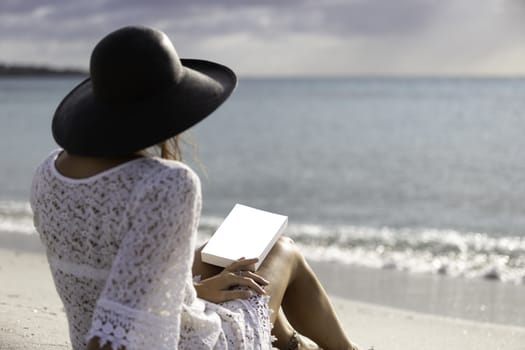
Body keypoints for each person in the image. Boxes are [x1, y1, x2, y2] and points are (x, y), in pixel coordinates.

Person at [30, 25, 360, 350]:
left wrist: (197, 290)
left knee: (233, 260)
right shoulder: (166, 183)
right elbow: (123, 321)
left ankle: (293, 346)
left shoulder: (49, 172)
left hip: (105, 332)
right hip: (193, 343)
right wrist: (195, 293)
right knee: (285, 251)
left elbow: (116, 280)